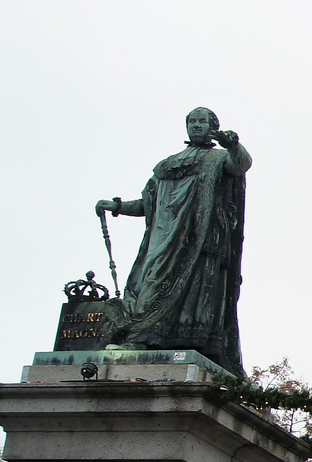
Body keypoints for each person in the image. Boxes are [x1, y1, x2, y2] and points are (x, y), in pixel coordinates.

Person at [93, 108, 253, 373]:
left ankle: (182, 343)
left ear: (213, 126)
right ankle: (141, 337)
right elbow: (148, 203)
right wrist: (117, 206)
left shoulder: (218, 158)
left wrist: (233, 145)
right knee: (151, 282)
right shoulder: (167, 165)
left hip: (201, 241)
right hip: (164, 240)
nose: (196, 126)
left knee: (196, 297)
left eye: (202, 121)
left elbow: (241, 163)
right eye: (192, 121)